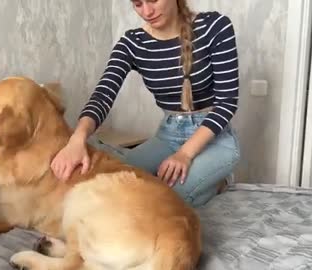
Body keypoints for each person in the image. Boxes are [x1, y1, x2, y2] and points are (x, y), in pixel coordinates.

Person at [50, 0, 241, 208]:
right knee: (115, 183)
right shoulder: (133, 43)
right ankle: (209, 182)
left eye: (153, 0)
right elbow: (104, 94)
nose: (147, 12)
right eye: (138, 4)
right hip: (168, 136)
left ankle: (218, 181)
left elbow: (227, 103)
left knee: (161, 201)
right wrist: (77, 139)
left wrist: (185, 154)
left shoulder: (214, 26)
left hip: (214, 140)